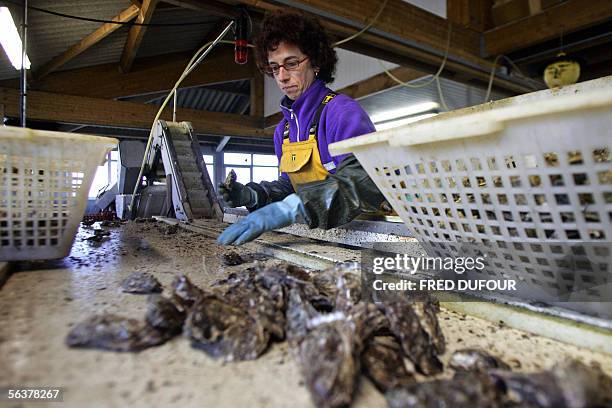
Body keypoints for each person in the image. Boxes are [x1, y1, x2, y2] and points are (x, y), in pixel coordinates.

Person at [217, 11, 386, 246]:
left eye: (292, 63)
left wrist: (288, 210)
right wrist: (254, 195)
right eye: (275, 68)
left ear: (315, 62)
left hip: (364, 238)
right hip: (318, 238)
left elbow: (363, 183)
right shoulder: (283, 130)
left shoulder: (341, 112)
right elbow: (289, 185)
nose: (282, 77)